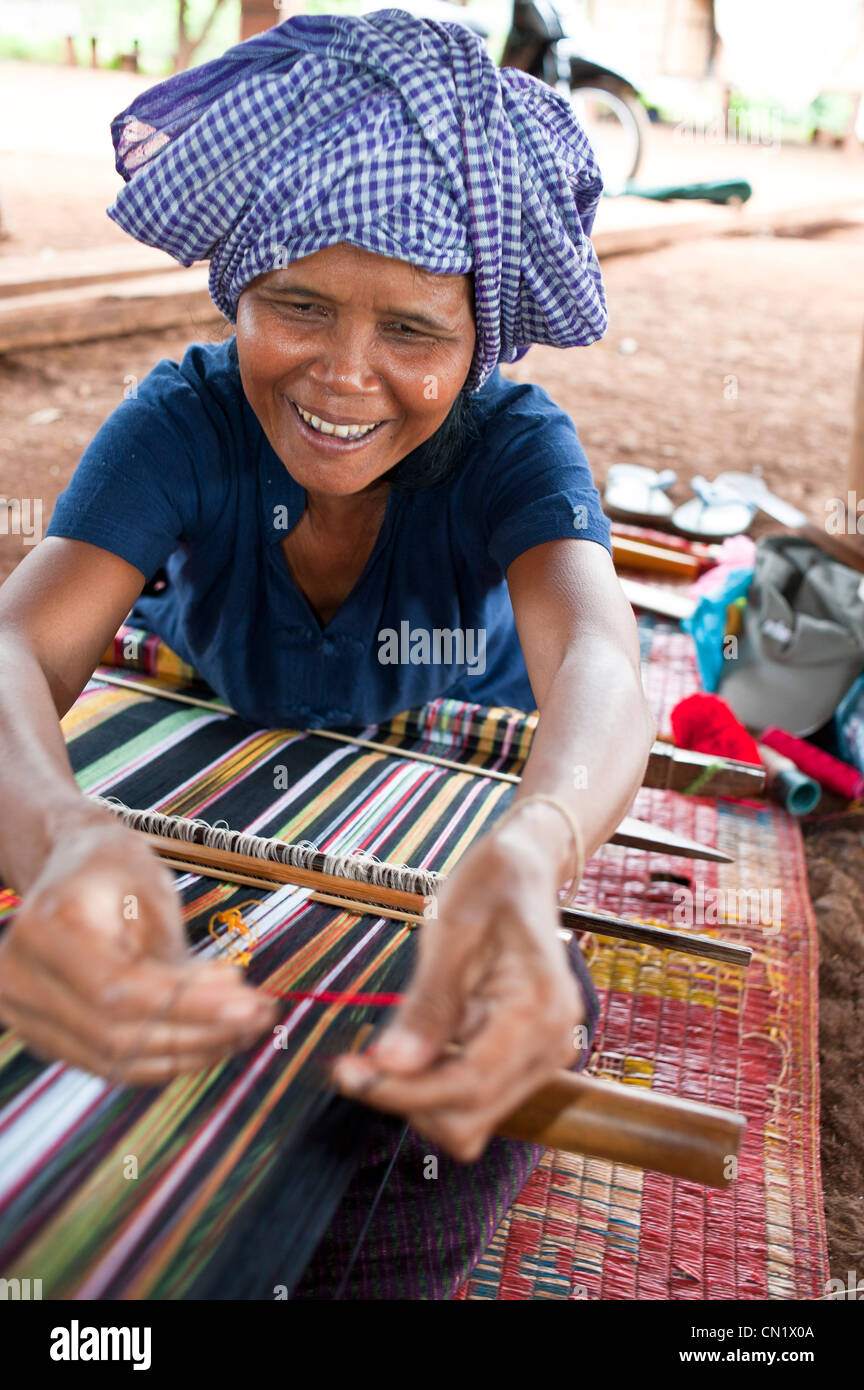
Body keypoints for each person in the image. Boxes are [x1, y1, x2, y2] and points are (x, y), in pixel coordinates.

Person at [0, 11, 654, 1296]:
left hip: (432, 824)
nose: (346, 377)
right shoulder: (183, 422)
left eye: (414, 330)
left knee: (458, 1077)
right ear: (236, 291)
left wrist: (531, 853)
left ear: (481, 343)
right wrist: (63, 837)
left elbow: (602, 663)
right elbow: (18, 648)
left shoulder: (514, 448)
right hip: (215, 783)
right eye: (297, 304)